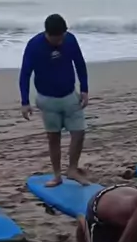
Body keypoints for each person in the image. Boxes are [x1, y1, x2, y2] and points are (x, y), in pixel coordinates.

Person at [19, 14, 89, 187]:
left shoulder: (70, 40)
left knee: (79, 132)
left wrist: (85, 89)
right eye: (56, 39)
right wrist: (25, 102)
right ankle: (57, 175)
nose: (60, 41)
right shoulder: (34, 45)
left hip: (70, 95)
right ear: (47, 34)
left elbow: (80, 63)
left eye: (62, 37)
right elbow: (25, 73)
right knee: (53, 137)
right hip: (47, 99)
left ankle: (72, 169)